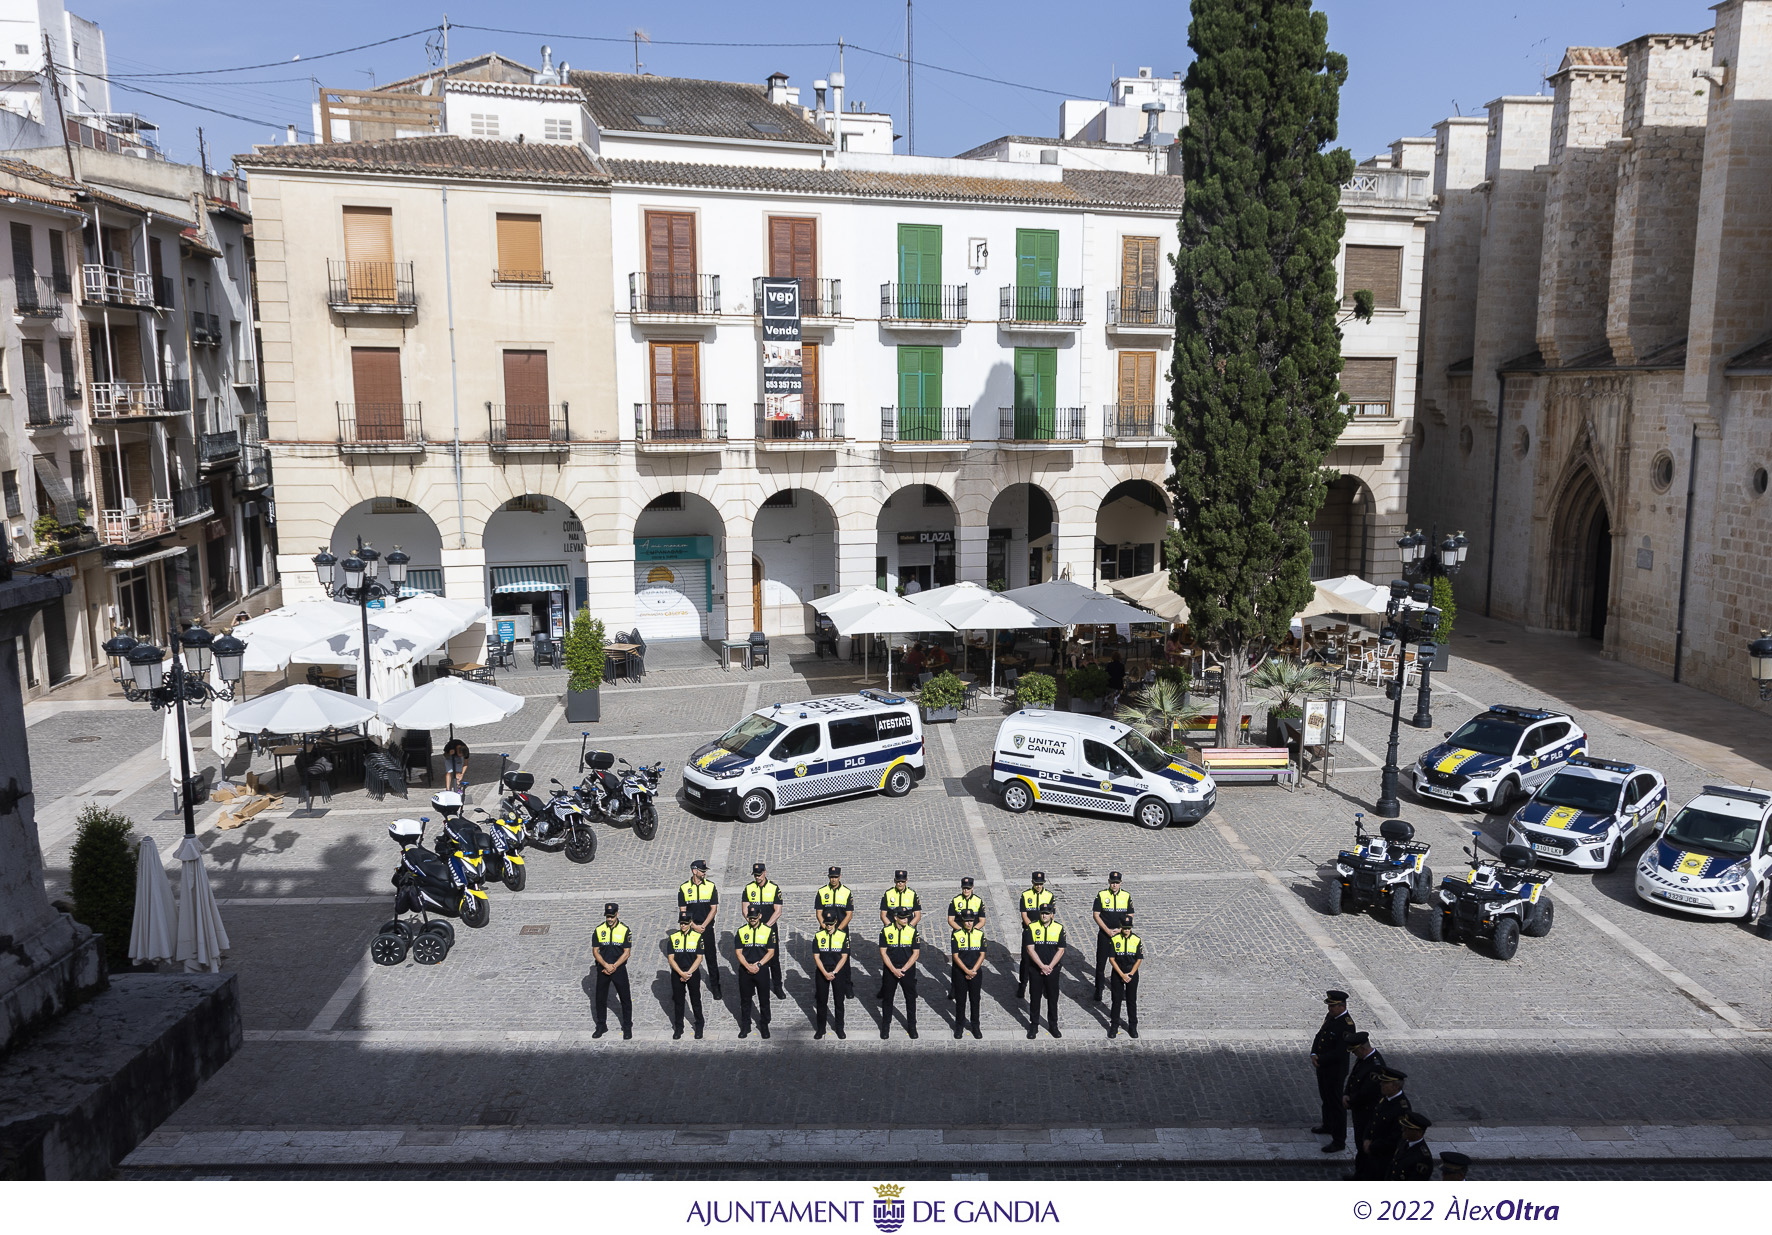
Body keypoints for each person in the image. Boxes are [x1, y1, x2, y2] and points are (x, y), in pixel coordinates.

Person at [1310, 990, 1356, 1152]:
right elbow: (1319, 1035)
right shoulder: (1331, 1017)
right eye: (1329, 1006)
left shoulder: (1346, 1025)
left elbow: (1340, 1052)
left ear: (1341, 1006)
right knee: (1326, 1098)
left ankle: (1339, 1140)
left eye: (1332, 1006)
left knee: (1336, 1104)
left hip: (1335, 1070)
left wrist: (1320, 1059)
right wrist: (1314, 1053)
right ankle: (1327, 1125)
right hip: (1323, 1067)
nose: (1329, 1009)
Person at [1355, 1069, 1413, 1181]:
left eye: (1385, 1083)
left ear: (1395, 1086)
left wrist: (1372, 1146)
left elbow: (1395, 1137)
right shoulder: (1385, 1098)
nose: (1381, 1084)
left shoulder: (1401, 1109)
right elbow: (1373, 1120)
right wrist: (1366, 1138)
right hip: (1373, 1151)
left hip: (1384, 1156)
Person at [678, 859, 722, 999]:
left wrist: (703, 926)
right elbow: (683, 912)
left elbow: (713, 909)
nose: (704, 873)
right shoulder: (684, 888)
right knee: (689, 958)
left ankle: (715, 987)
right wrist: (694, 926)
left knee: (711, 958)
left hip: (706, 928)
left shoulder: (710, 886)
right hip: (691, 929)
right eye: (702, 871)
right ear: (694, 871)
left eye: (704, 871)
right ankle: (690, 985)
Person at [591, 902, 633, 1040]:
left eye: (612, 916)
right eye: (608, 916)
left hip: (619, 968)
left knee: (625, 998)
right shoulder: (599, 930)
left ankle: (627, 1026)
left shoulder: (624, 930)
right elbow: (595, 951)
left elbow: (627, 952)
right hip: (603, 969)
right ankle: (601, 1025)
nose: (609, 919)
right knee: (600, 998)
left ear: (617, 914)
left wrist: (614, 966)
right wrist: (605, 965)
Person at [878, 904, 920, 1039]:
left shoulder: (913, 931)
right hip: (891, 969)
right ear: (895, 917)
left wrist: (904, 969)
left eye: (906, 918)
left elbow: (916, 953)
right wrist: (893, 970)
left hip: (907, 969)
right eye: (902, 918)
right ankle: (885, 1026)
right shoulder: (885, 931)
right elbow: (883, 953)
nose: (905, 920)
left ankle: (912, 1026)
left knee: (910, 998)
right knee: (888, 999)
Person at [1024, 902, 1066, 1038]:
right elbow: (1030, 949)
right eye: (1042, 913)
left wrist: (1050, 967)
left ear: (1052, 915)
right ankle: (1034, 1025)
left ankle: (1053, 1025)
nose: (1044, 915)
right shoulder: (1032, 927)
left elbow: (1061, 950)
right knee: (1035, 998)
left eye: (1047, 913)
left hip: (1052, 970)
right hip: (1036, 969)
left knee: (1053, 998)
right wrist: (1042, 966)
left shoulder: (1059, 928)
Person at [743, 861, 785, 998]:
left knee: (774, 959)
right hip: (753, 929)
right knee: (754, 956)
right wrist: (755, 925)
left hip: (770, 929)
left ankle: (778, 986)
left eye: (760, 875)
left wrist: (765, 927)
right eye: (755, 875)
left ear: (765, 873)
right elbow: (745, 910)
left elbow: (777, 911)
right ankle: (755, 984)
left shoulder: (774, 888)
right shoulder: (748, 888)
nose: (758, 877)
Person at [1091, 871, 1134, 1003]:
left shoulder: (1126, 896)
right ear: (1109, 882)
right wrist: (1107, 931)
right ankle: (1098, 989)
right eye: (1112, 882)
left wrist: (1121, 930)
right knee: (1101, 964)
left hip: (1120, 935)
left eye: (1117, 883)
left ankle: (1120, 990)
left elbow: (1130, 915)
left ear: (1121, 883)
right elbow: (1096, 914)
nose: (1114, 885)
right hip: (1105, 934)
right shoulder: (1102, 895)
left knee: (1121, 963)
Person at [734, 903, 776, 1039]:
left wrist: (758, 965)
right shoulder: (741, 931)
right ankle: (745, 1026)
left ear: (760, 916)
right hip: (745, 970)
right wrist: (748, 966)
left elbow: (771, 952)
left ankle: (764, 1025)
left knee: (764, 999)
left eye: (755, 917)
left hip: (761, 969)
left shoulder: (768, 931)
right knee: (745, 1000)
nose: (752, 920)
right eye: (750, 917)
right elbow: (739, 953)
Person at [1342, 1031, 1387, 1158]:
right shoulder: (1363, 1059)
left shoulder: (1375, 1066)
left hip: (1367, 1112)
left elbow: (1367, 1092)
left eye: (1354, 1051)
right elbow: (1353, 1077)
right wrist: (1346, 1093)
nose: (1353, 1053)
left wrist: (1350, 1101)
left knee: (1364, 1145)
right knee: (1359, 1143)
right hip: (1359, 1109)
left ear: (1362, 1048)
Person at [813, 907, 852, 1039]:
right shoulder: (818, 936)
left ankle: (839, 1027)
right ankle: (820, 1028)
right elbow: (816, 957)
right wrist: (824, 972)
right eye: (826, 923)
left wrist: (834, 972)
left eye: (830, 923)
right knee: (821, 1001)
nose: (828, 926)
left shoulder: (843, 936)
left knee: (839, 1001)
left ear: (835, 922)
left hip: (838, 972)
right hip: (822, 972)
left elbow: (844, 957)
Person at [667, 909, 705, 1040]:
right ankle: (678, 1027)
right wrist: (681, 973)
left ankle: (699, 1025)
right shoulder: (673, 938)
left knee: (695, 1000)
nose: (682, 925)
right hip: (678, 973)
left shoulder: (697, 937)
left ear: (690, 923)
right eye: (681, 923)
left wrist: (688, 973)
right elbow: (671, 958)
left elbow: (699, 958)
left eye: (685, 923)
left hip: (692, 973)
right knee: (678, 1001)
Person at [1106, 913, 1143, 1039]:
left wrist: (1131, 974)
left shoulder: (1136, 940)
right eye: (1125, 927)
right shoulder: (1115, 940)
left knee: (1131, 1001)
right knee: (1116, 1001)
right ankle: (1114, 1025)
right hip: (1118, 973)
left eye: (1129, 928)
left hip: (1131, 973)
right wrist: (1121, 974)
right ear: (1121, 927)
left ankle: (1133, 1026)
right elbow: (1111, 959)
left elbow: (1139, 959)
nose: (1127, 930)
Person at [1016, 872, 1054, 998]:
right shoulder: (1026, 895)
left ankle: (1043, 986)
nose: (1038, 886)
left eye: (1041, 884)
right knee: (1026, 960)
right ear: (1032, 882)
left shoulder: (1049, 895)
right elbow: (1024, 914)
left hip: (1044, 932)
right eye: (1036, 884)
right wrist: (1033, 928)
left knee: (1042, 958)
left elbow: (1051, 915)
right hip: (1029, 932)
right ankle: (1023, 984)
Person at [950, 910, 986, 1039]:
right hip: (960, 972)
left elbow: (982, 954)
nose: (969, 923)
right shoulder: (956, 935)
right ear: (962, 922)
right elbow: (955, 956)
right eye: (966, 921)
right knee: (961, 1000)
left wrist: (973, 971)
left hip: (975, 972)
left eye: (971, 920)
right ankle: (959, 1025)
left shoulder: (980, 934)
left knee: (975, 1000)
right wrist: (966, 971)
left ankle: (975, 1025)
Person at [946, 877, 984, 991]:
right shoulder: (956, 900)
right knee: (956, 961)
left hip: (974, 935)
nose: (966, 890)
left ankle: (972, 978)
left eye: (968, 888)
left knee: (974, 957)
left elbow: (982, 920)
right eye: (964, 888)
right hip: (958, 934)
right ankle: (954, 987)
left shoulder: (978, 901)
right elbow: (951, 919)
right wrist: (961, 931)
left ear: (972, 888)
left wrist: (972, 930)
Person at [1388, 1113, 1435, 1180]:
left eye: (1407, 1128)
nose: (1403, 1129)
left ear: (1419, 1132)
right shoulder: (1404, 1141)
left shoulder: (1423, 1158)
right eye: (1403, 1126)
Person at [814, 865, 853, 931]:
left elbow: (849, 915)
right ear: (828, 877)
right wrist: (826, 928)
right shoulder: (821, 891)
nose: (833, 879)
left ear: (840, 877)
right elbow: (819, 913)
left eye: (836, 877)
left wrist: (838, 930)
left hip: (842, 930)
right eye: (831, 877)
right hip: (826, 929)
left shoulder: (847, 892)